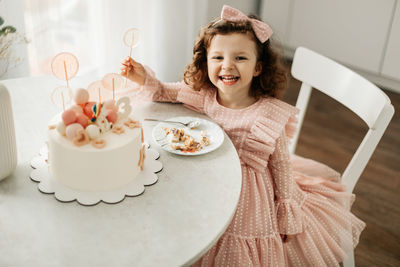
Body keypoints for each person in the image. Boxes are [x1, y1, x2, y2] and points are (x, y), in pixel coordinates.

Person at [120, 5, 365, 266]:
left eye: (240, 58)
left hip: (249, 191)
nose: (227, 66)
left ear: (258, 68)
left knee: (225, 237)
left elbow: (281, 165)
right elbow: (163, 93)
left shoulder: (266, 114)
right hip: (209, 174)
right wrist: (143, 77)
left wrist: (286, 210)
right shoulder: (204, 93)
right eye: (218, 58)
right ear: (206, 62)